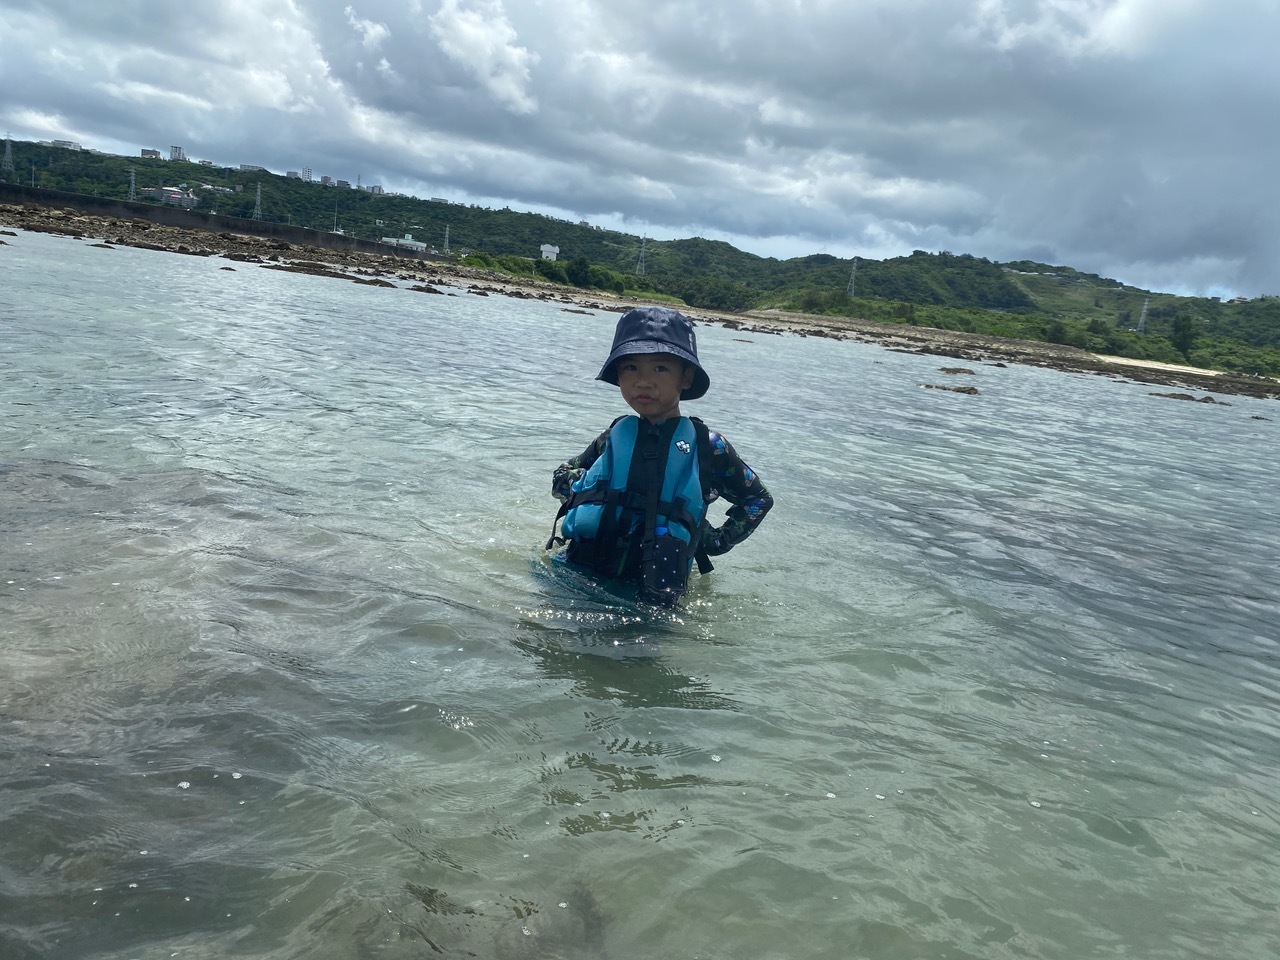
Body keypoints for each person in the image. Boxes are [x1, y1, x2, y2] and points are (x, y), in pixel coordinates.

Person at [547, 306, 773, 607]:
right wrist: (582, 488)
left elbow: (758, 500)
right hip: (574, 577)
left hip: (652, 598)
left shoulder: (709, 447)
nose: (643, 381)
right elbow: (561, 476)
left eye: (660, 368)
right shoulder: (614, 435)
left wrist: (717, 540)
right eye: (630, 368)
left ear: (687, 377)